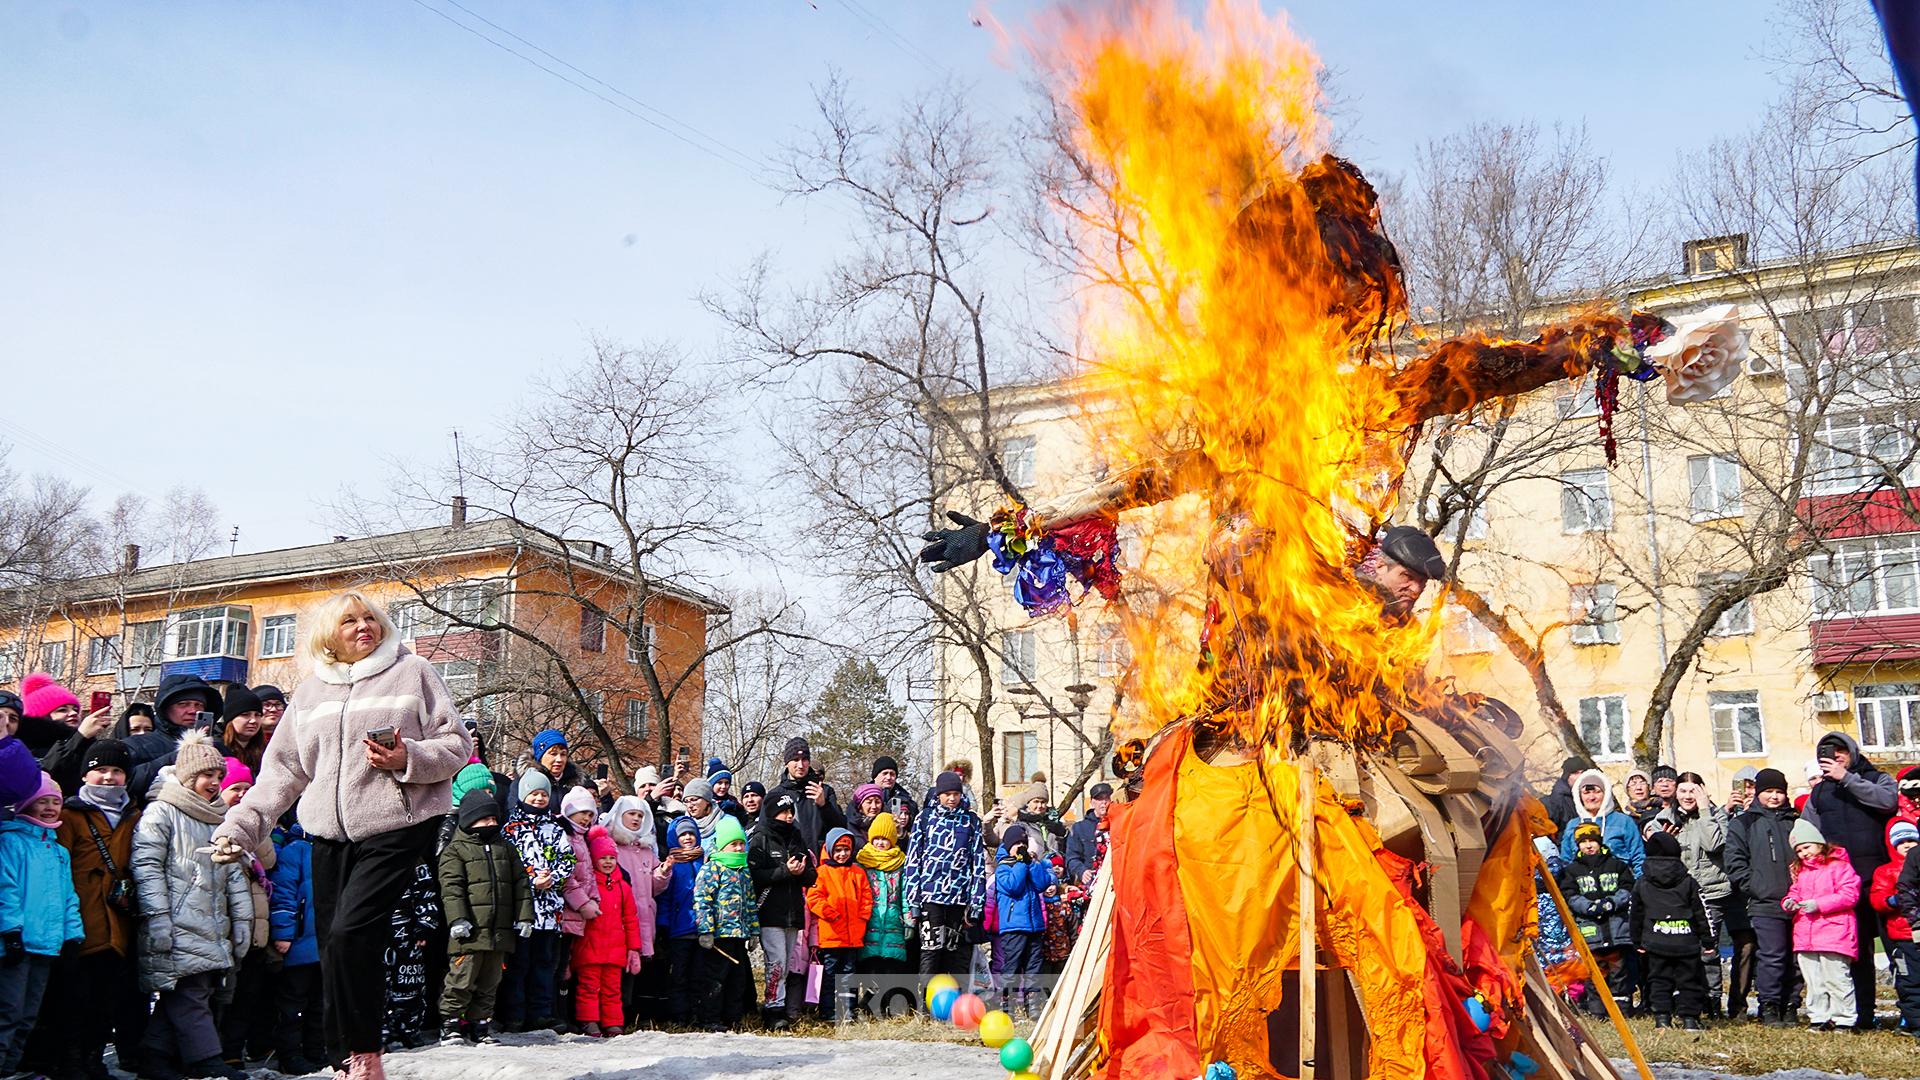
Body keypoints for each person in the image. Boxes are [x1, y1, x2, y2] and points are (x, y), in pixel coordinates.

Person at [206, 589, 471, 1080]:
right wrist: (239, 829)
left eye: (370, 618)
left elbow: (456, 745)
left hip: (398, 825)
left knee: (351, 933)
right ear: (330, 634)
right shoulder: (309, 693)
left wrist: (406, 758)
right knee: (333, 944)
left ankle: (365, 1052)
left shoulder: (412, 672)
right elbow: (282, 773)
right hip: (327, 833)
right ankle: (342, 1059)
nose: (363, 626)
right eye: (350, 621)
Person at [133, 733, 252, 1080]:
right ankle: (207, 1060)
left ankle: (153, 1058)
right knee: (192, 992)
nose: (214, 784)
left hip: (211, 921)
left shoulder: (219, 817)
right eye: (206, 776)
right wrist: (158, 918)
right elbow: (146, 865)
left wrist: (241, 920)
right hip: (175, 918)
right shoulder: (162, 811)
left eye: (218, 777)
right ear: (187, 777)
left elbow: (233, 873)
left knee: (189, 991)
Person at [42, 738, 146, 1080]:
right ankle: (70, 1061)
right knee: (74, 997)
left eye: (117, 771)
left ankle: (93, 1057)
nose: (108, 777)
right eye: (100, 769)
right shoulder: (70, 814)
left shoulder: (134, 815)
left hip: (119, 920)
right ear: (86, 775)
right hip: (79, 920)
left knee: (106, 998)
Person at [1800, 732, 1898, 1029]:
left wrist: (1847, 778)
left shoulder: (1876, 778)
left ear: (1852, 752)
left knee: (1897, 948)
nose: (1836, 756)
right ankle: (1863, 1014)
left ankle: (1911, 1011)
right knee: (1857, 954)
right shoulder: (1820, 792)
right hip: (1842, 886)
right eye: (1829, 753)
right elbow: (1808, 831)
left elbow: (1888, 801)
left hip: (1880, 880)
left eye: (1841, 751)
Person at [0, 772, 84, 1077]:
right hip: (18, 943)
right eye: (42, 802)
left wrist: (72, 935)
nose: (50, 808)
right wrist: (10, 931)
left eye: (55, 802)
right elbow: (5, 889)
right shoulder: (10, 841)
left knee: (28, 1014)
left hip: (47, 945)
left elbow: (67, 896)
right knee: (8, 1010)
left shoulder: (58, 850)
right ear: (25, 805)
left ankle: (10, 1067)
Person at [1655, 772, 1738, 1017]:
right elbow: (1657, 853)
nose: (1688, 796)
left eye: (1693, 790)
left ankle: (1713, 1000)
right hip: (1678, 894)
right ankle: (1689, 999)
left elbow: (1714, 845)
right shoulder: (1664, 818)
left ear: (1702, 791)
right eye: (1683, 791)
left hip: (1711, 892)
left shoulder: (1717, 815)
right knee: (1682, 950)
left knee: (1708, 950)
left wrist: (1704, 811)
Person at [215, 759, 279, 1070]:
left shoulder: (254, 828)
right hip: (228, 925)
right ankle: (217, 1050)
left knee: (247, 995)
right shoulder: (214, 825)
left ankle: (233, 1051)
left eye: (246, 789)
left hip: (255, 926)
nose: (241, 795)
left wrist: (255, 828)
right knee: (224, 994)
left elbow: (267, 861)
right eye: (234, 789)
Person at [1725, 767, 1799, 1028]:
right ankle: (1769, 1005)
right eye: (1768, 791)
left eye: (1779, 791)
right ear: (1758, 793)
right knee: (1772, 955)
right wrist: (1755, 886)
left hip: (1798, 901)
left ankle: (1790, 1005)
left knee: (1795, 958)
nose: (1774, 797)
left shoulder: (1795, 821)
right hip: (1764, 902)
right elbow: (1734, 860)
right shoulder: (1745, 822)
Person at [499, 771, 571, 1033]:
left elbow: (568, 859)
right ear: (522, 796)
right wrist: (531, 879)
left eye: (543, 794)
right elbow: (507, 865)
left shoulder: (555, 828)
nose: (539, 798)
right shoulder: (510, 829)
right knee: (518, 965)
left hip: (550, 912)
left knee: (544, 965)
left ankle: (540, 1013)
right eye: (534, 794)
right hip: (522, 911)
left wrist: (553, 877)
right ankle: (514, 1014)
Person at [904, 771, 987, 978]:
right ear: (938, 794)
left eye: (956, 794)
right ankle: (924, 1005)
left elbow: (977, 862)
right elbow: (914, 860)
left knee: (955, 953)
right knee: (930, 951)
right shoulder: (925, 818)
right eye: (947, 794)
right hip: (930, 896)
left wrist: (976, 903)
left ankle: (955, 1004)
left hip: (958, 898)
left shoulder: (971, 821)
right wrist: (913, 899)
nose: (952, 799)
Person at [1784, 818, 1862, 1030]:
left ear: (1819, 843)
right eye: (1799, 850)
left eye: (1806, 847)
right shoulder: (1801, 871)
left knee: (1836, 978)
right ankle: (1819, 1016)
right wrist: (1789, 901)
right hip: (1806, 933)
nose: (1803, 853)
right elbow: (1795, 891)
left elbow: (1849, 895)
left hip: (1834, 932)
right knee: (1814, 980)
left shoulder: (1839, 866)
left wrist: (1819, 904)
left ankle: (1844, 1018)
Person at [747, 793, 816, 1029]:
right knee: (775, 962)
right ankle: (772, 1010)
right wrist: (785, 871)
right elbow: (755, 876)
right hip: (770, 912)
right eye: (784, 812)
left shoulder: (796, 836)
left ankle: (780, 1005)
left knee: (786, 964)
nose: (788, 817)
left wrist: (800, 871)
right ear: (772, 812)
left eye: (791, 812)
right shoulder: (761, 838)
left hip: (793, 912)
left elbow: (812, 875)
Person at [1632, 830, 1711, 1029]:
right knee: (1689, 981)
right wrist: (1708, 940)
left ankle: (1662, 1018)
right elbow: (1702, 912)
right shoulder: (1688, 882)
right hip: (1686, 942)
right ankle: (1690, 1019)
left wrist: (1636, 941)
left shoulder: (1642, 883)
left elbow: (1635, 914)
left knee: (1658, 979)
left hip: (1655, 941)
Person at [1557, 820, 1634, 1017]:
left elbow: (1627, 887)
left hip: (1616, 928)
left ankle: (1622, 1010)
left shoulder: (1616, 865)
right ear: (1578, 845)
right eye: (1583, 842)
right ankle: (1598, 1010)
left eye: (1592, 840)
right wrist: (1588, 906)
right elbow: (1569, 895)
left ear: (1600, 841)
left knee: (1619, 970)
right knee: (1594, 971)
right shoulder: (1572, 870)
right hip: (1591, 930)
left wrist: (1613, 902)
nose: (1588, 845)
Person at [569, 826, 637, 1038]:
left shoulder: (623, 887)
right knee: (588, 987)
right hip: (590, 948)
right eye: (603, 858)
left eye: (611, 858)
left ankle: (613, 1023)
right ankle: (589, 1021)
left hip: (615, 949)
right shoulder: (589, 885)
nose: (608, 862)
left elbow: (631, 918)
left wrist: (634, 949)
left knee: (612, 989)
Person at [269, 816, 324, 1074]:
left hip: (326, 943)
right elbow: (283, 894)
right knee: (293, 1005)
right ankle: (289, 1054)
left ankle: (316, 1050)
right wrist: (284, 933)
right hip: (300, 941)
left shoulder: (335, 848)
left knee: (320, 1003)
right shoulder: (296, 850)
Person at [691, 815, 756, 1031]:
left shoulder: (744, 871)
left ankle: (733, 1017)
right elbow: (702, 900)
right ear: (721, 846)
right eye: (733, 844)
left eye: (741, 844)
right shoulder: (712, 869)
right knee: (714, 978)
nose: (738, 849)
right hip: (718, 937)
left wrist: (754, 931)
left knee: (737, 979)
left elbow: (750, 903)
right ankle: (709, 1017)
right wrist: (706, 930)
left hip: (739, 935)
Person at [604, 794, 663, 1029]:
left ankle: (633, 1012)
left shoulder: (647, 850)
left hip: (644, 915)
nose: (636, 819)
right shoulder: (611, 847)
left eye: (640, 815)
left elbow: (655, 887)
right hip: (619, 917)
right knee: (620, 966)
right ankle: (617, 1012)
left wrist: (664, 873)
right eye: (632, 815)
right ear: (620, 815)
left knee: (639, 966)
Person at [808, 827, 873, 1021]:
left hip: (853, 936)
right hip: (831, 936)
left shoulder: (858, 872)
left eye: (846, 849)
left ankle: (848, 1010)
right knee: (830, 976)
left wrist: (862, 917)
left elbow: (867, 899)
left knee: (849, 975)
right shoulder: (821, 873)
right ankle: (828, 1011)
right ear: (829, 850)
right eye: (838, 850)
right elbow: (814, 898)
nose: (842, 854)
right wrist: (830, 914)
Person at [124, 673, 223, 800]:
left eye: (198, 705)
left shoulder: (218, 748)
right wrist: (180, 756)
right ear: (165, 708)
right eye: (183, 704)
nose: (193, 711)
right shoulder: (136, 745)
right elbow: (127, 785)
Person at [992, 822, 1055, 1017]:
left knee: (1033, 968)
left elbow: (1043, 884)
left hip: (1034, 925)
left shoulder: (1029, 864)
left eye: (1023, 843)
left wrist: (1032, 864)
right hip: (1014, 927)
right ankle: (1006, 1006)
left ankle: (1033, 1006)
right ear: (1008, 845)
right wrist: (1020, 863)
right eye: (1016, 844)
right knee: (1011, 968)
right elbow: (1013, 886)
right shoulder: (1003, 867)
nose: (1020, 847)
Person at [1868, 819, 1919, 1036]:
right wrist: (1892, 901)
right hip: (1903, 935)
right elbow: (1876, 899)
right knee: (1909, 981)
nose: (1908, 845)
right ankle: (1914, 1022)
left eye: (1912, 840)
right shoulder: (1886, 871)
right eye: (1902, 841)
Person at [654, 816, 705, 1026]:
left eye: (691, 834)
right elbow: (664, 898)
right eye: (683, 834)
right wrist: (664, 925)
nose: (687, 838)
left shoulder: (704, 860)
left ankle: (697, 1013)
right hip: (679, 929)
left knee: (699, 974)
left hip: (702, 929)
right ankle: (679, 1015)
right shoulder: (671, 864)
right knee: (679, 975)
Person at [1559, 768, 1645, 874]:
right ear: (1579, 796)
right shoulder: (1573, 825)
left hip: (1621, 885)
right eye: (1586, 793)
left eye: (1597, 792)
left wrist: (1636, 887)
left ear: (1606, 794)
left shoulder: (1623, 822)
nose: (1591, 797)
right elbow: (1566, 862)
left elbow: (1638, 858)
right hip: (1583, 886)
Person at [771, 737, 846, 854]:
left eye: (804, 759)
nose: (800, 765)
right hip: (791, 864)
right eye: (795, 760)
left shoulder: (824, 791)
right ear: (786, 763)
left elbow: (840, 828)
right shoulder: (775, 794)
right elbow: (766, 834)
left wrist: (824, 805)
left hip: (821, 863)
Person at [857, 812, 909, 975]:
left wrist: (908, 918)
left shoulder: (900, 863)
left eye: (885, 839)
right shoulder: (863, 862)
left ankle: (887, 1000)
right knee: (870, 969)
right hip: (869, 921)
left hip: (893, 922)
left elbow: (905, 894)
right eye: (877, 838)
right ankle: (867, 1001)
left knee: (891, 971)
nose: (880, 842)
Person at [509, 730, 579, 810]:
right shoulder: (523, 783)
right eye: (553, 754)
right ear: (540, 757)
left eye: (563, 754)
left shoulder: (577, 783)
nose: (559, 759)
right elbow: (513, 812)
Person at [1065, 782, 1114, 889]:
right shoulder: (1079, 828)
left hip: (1115, 880)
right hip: (1092, 883)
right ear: (1092, 802)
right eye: (1100, 799)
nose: (1104, 802)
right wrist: (1081, 871)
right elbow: (1071, 858)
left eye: (1107, 798)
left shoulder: (1118, 824)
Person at [211, 687, 268, 779]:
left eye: (257, 715)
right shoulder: (215, 749)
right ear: (231, 719)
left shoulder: (266, 750)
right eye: (245, 715)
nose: (253, 720)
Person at [1013, 782, 1068, 862]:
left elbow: (1068, 849)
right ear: (1028, 803)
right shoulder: (1020, 824)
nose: (1039, 806)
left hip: (1055, 868)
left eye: (1043, 802)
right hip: (1033, 868)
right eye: (1036, 801)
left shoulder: (1054, 822)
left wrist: (1062, 835)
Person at [1541, 756, 1592, 837]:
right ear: (1567, 776)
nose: (1580, 776)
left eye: (1583, 772)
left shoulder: (1594, 796)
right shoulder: (1552, 803)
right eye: (1575, 773)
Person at [870, 756, 918, 825]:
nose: (888, 777)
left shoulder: (907, 801)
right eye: (885, 773)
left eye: (892, 774)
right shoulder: (862, 799)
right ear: (875, 776)